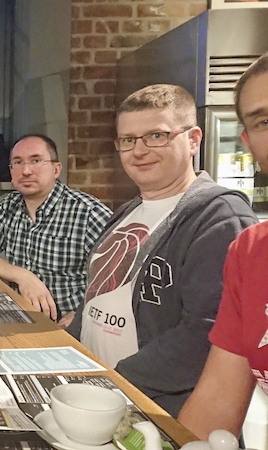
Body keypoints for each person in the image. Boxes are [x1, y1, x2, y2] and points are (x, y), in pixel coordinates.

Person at [66, 84, 258, 417]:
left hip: (157, 409)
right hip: (99, 396)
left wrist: (114, 381)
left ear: (193, 139)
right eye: (128, 140)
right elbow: (97, 294)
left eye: (156, 136)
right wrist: (69, 350)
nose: (138, 151)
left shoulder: (221, 216)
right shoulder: (128, 211)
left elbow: (206, 334)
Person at [178, 53, 268, 439]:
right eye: (265, 121)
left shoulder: (220, 213)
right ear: (248, 142)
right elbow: (215, 402)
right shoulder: (250, 252)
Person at [0, 134, 112, 325]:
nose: (26, 171)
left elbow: (121, 280)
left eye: (36, 161)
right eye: (17, 163)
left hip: (67, 325)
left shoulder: (89, 213)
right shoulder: (10, 205)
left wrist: (82, 315)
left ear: (56, 169)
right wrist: (23, 276)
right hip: (19, 316)